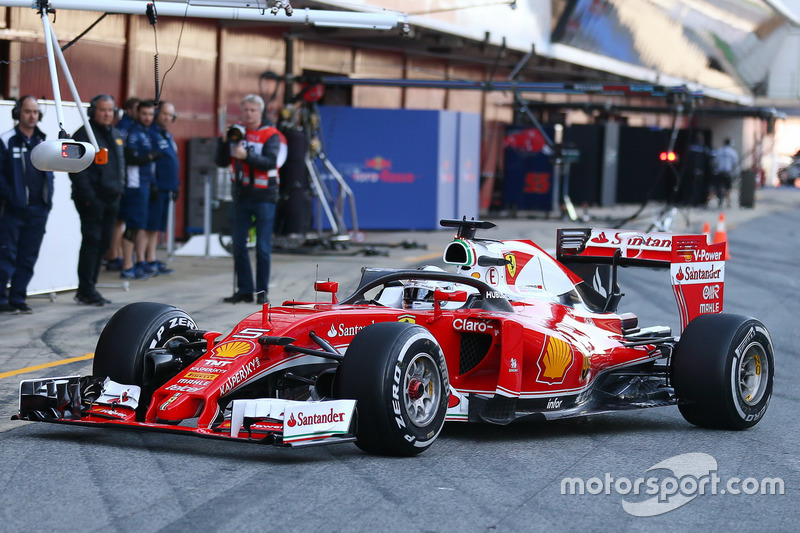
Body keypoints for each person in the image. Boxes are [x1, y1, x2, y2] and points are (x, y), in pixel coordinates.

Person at [215, 94, 285, 304]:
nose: (249, 114)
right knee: (238, 245)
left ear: (260, 112)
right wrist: (224, 141)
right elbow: (220, 161)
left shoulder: (271, 134)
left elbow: (271, 162)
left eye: (253, 110)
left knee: (263, 247)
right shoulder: (237, 131)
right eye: (246, 110)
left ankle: (261, 293)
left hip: (264, 196)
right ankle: (244, 289)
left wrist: (247, 157)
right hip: (241, 195)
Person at [0, 96, 55, 315]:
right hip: (12, 211)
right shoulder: (6, 140)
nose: (32, 116)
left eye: (35, 112)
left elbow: (49, 173)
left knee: (28, 256)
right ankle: (1, 298)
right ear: (18, 113)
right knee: (6, 255)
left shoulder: (43, 142)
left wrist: (47, 201)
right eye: (27, 111)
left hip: (38, 210)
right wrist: (12, 197)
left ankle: (18, 297)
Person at [69, 94, 126, 306]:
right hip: (92, 200)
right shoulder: (82, 134)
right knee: (92, 242)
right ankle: (86, 289)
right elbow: (77, 170)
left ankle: (90, 285)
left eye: (110, 110)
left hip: (112, 198)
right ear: (93, 111)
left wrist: (120, 189)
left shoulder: (116, 134)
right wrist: (89, 198)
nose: (107, 114)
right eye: (103, 110)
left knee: (104, 244)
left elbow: (120, 164)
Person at [119, 99, 159, 280]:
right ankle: (127, 265)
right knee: (133, 226)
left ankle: (139, 261)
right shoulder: (133, 132)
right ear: (137, 113)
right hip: (133, 185)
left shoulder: (147, 133)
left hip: (144, 184)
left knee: (141, 225)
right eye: (144, 114)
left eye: (151, 114)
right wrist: (150, 156)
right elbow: (131, 157)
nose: (147, 118)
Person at [104, 96, 140, 272]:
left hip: (122, 181)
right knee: (118, 221)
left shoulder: (128, 128)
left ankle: (116, 253)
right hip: (123, 183)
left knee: (121, 221)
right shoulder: (124, 127)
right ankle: (114, 254)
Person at [144, 101, 179, 275]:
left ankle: (151, 257)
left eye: (170, 115)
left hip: (167, 187)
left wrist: (175, 184)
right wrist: (152, 183)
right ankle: (144, 259)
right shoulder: (151, 133)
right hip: (156, 186)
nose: (167, 117)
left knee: (157, 226)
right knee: (149, 225)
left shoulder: (167, 135)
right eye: (164, 113)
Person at [711, 138, 739, 208]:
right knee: (728, 188)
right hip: (727, 172)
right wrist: (736, 173)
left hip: (719, 172)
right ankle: (728, 202)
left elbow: (715, 162)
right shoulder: (733, 153)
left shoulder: (719, 151)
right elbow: (735, 164)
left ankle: (720, 200)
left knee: (719, 187)